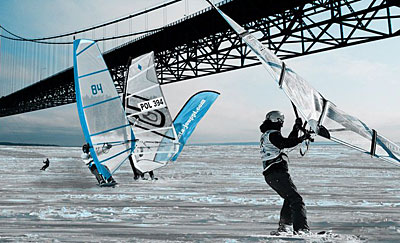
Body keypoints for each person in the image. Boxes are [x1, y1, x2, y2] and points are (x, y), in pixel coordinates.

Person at [260, 110, 310, 235]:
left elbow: (286, 141)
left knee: (290, 199)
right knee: (296, 200)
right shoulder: (272, 134)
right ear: (278, 121)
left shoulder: (269, 134)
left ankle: (285, 226)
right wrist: (302, 138)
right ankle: (301, 229)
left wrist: (296, 128)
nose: (282, 124)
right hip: (277, 172)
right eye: (281, 122)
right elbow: (285, 143)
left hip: (272, 174)